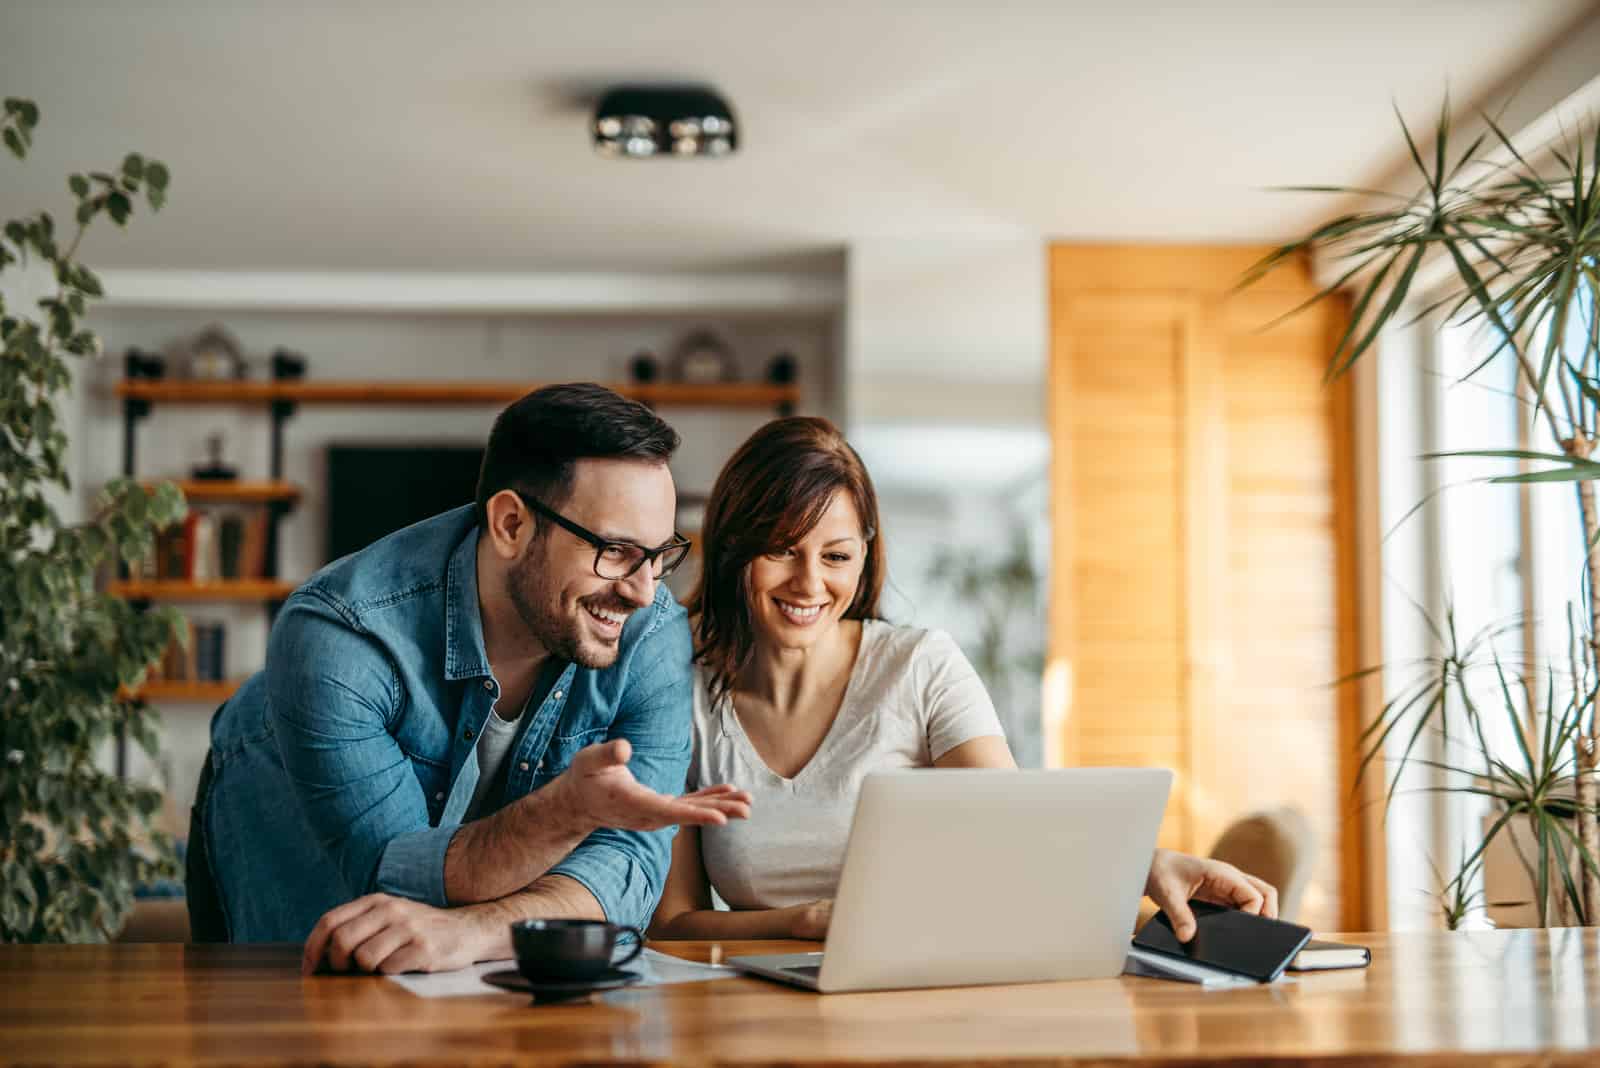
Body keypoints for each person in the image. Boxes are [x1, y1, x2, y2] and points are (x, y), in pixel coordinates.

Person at [186, 383, 751, 973]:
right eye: (615, 551)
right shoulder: (342, 635)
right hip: (281, 806)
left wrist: (477, 931)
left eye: (661, 555)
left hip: (471, 866)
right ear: (510, 524)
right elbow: (394, 874)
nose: (643, 591)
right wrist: (571, 812)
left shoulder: (653, 628)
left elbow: (627, 870)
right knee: (317, 1004)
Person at [649, 417, 1278, 943]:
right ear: (732, 548)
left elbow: (1016, 823)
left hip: (919, 989)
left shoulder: (920, 666)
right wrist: (804, 923)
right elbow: (673, 923)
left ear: (865, 555)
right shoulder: (678, 686)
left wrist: (1147, 863)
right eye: (782, 550)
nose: (810, 584)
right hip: (753, 1012)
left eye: (836, 556)